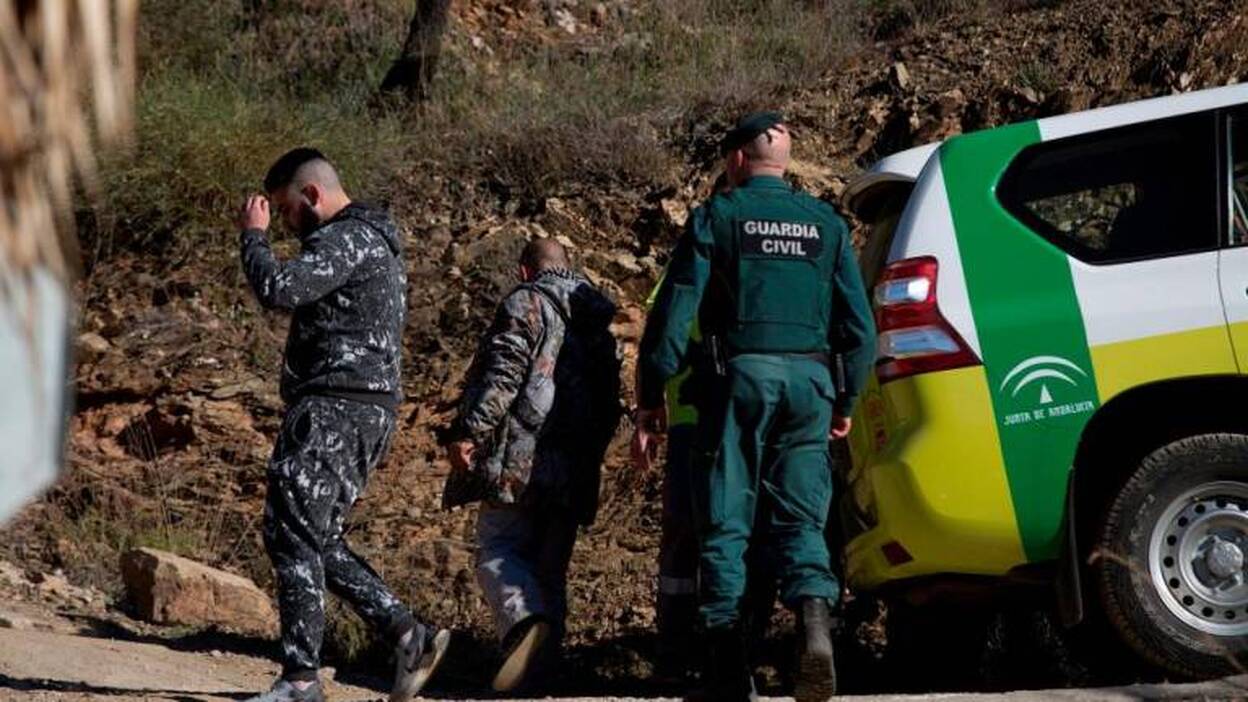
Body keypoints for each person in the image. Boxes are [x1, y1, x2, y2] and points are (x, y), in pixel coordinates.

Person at [634, 113, 876, 702]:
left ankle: (725, 663)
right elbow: (860, 330)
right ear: (784, 159)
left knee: (725, 521)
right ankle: (814, 624)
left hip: (739, 384)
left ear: (737, 159)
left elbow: (674, 315)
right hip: (811, 387)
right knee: (800, 517)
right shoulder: (825, 224)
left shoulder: (718, 216)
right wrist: (846, 399)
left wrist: (648, 397)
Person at [238, 148, 449, 702]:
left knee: (292, 534)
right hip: (357, 407)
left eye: (285, 210)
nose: (284, 222)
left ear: (311, 195)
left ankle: (301, 679)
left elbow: (279, 290)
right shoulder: (370, 241)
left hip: (337, 406)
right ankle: (408, 634)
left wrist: (254, 237)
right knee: (314, 536)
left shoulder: (346, 239)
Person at [444, 238, 621, 694]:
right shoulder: (597, 319)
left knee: (496, 548)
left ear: (526, 271)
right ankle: (543, 677)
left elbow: (503, 377)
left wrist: (469, 431)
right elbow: (610, 404)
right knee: (550, 568)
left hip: (520, 455)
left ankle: (523, 623)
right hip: (577, 464)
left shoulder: (526, 302)